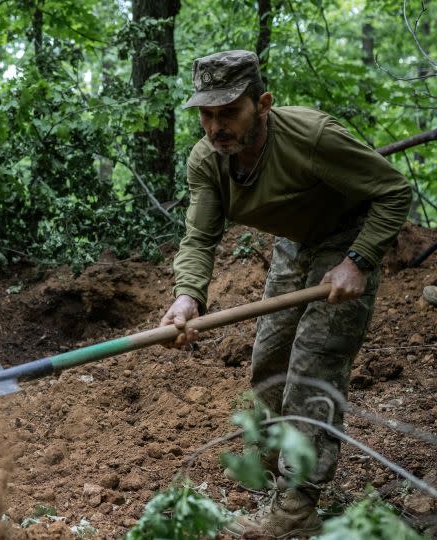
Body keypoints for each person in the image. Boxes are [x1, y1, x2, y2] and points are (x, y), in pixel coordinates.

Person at [160, 50, 411, 537]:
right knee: (270, 361)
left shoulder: (312, 137)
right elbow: (199, 236)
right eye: (206, 115)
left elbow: (394, 191)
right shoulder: (207, 160)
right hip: (295, 243)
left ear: (263, 104)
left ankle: (297, 506)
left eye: (229, 111)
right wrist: (188, 295)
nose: (216, 127)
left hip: (347, 236)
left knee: (313, 369)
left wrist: (357, 261)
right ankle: (281, 469)